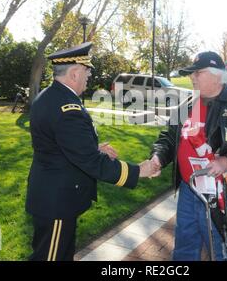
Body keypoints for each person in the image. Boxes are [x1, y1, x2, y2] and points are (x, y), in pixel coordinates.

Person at [25, 42, 159, 261]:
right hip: (57, 202)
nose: (88, 77)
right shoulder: (67, 108)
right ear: (75, 73)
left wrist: (92, 147)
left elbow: (57, 143)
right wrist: (138, 171)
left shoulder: (52, 97)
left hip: (52, 195)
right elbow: (90, 162)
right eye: (87, 72)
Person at [148, 51, 227, 261]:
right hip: (190, 189)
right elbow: (169, 138)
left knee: (222, 251)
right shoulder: (187, 104)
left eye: (198, 73)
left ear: (217, 75)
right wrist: (157, 157)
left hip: (223, 193)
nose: (192, 77)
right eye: (191, 73)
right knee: (184, 249)